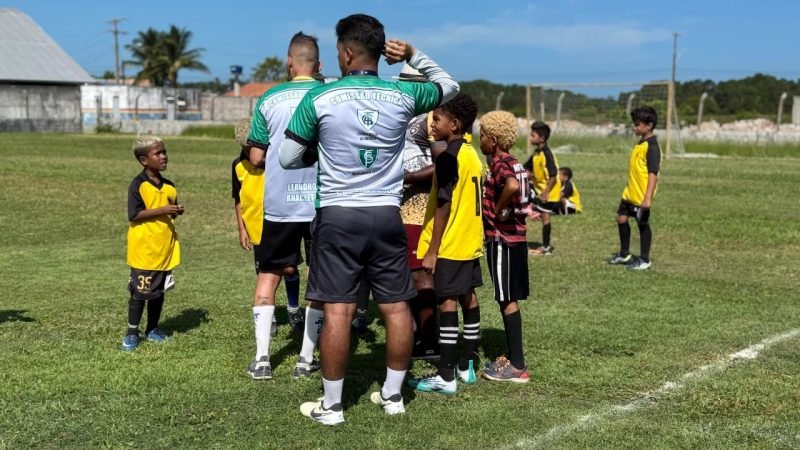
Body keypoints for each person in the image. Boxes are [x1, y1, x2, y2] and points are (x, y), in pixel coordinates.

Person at [279, 14, 459, 425]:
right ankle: (393, 396)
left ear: (345, 52)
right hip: (386, 212)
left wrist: (318, 151)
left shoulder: (319, 98)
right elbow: (450, 86)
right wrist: (414, 54)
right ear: (380, 51)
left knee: (339, 310)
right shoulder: (403, 94)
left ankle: (333, 406)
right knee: (396, 308)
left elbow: (288, 158)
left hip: (339, 214)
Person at [245, 32, 326, 380]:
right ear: (319, 65)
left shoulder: (268, 98)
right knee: (320, 282)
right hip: (323, 203)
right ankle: (305, 362)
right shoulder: (328, 95)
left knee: (269, 276)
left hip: (280, 204)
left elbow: (256, 156)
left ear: (289, 62)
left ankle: (262, 360)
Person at [409, 92, 483, 395]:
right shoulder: (471, 154)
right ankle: (466, 365)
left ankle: (446, 375)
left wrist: (432, 250)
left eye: (436, 119)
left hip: (451, 242)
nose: (431, 124)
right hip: (470, 238)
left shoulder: (448, 159)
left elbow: (443, 204)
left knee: (447, 301)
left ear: (454, 124)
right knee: (469, 297)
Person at [477, 110, 531, 383]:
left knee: (506, 299)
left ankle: (518, 366)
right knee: (509, 297)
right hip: (517, 239)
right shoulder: (515, 161)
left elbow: (509, 185)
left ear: (494, 139)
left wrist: (497, 211)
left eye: (484, 136)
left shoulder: (500, 165)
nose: (480, 140)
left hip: (503, 239)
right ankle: (512, 358)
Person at [121, 136, 184, 351]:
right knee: (140, 292)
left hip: (164, 249)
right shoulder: (138, 185)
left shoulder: (169, 186)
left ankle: (153, 328)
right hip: (144, 250)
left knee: (158, 292)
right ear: (143, 160)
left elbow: (170, 213)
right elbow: (134, 214)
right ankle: (131, 332)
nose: (164, 156)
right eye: (158, 153)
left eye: (164, 152)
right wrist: (163, 210)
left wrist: (175, 211)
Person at [396, 63, 441, 360]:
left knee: (422, 278)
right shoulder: (400, 114)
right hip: (402, 207)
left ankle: (430, 342)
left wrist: (409, 178)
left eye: (410, 83)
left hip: (421, 208)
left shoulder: (432, 117)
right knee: (408, 277)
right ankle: (418, 338)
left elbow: (447, 162)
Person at [608, 106, 661, 271]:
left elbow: (653, 173)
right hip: (629, 193)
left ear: (649, 125)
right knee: (621, 219)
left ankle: (644, 259)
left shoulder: (652, 147)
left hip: (641, 196)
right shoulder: (640, 143)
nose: (634, 127)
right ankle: (625, 254)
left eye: (638, 124)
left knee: (642, 224)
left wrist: (647, 197)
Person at [524, 121, 561, 256]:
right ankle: (545, 246)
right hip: (540, 191)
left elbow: (553, 174)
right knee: (539, 215)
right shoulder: (537, 153)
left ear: (542, 138)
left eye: (532, 135)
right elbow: (526, 167)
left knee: (545, 217)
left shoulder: (547, 154)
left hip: (549, 193)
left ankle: (546, 247)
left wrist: (546, 191)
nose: (530, 138)